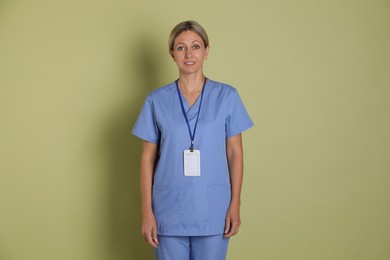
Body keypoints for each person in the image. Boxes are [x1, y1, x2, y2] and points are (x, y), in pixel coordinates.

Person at [132, 20, 253, 260]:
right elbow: (147, 159)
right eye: (180, 47)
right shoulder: (157, 100)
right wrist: (147, 211)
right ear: (171, 53)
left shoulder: (227, 96)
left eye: (196, 46)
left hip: (214, 208)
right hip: (168, 210)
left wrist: (235, 203)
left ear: (207, 51)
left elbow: (235, 154)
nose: (189, 54)